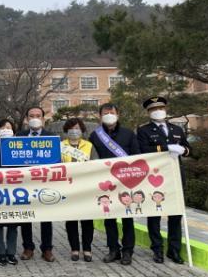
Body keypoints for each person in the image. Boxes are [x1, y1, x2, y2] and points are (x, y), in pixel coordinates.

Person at [137, 96, 191, 264]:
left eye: (160, 108)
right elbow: (143, 150)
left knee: (176, 214)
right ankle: (157, 249)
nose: (158, 111)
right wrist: (167, 148)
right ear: (148, 112)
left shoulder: (177, 129)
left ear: (165, 109)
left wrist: (183, 150)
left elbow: (189, 149)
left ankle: (174, 250)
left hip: (175, 176)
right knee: (155, 214)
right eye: (154, 109)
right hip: (155, 177)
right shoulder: (144, 130)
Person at [89, 103, 140, 266]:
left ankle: (127, 251)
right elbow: (91, 159)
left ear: (118, 114)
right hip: (106, 183)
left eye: (112, 112)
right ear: (100, 116)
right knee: (109, 218)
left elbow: (137, 156)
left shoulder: (128, 134)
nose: (109, 115)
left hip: (126, 182)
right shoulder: (95, 136)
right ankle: (113, 250)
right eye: (105, 113)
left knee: (127, 219)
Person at [16, 106, 56, 262]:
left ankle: (47, 249)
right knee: (26, 216)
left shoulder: (51, 137)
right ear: (27, 119)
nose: (35, 118)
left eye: (38, 116)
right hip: (25, 183)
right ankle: (28, 247)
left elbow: (56, 161)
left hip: (44, 182)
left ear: (43, 119)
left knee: (46, 217)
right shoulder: (19, 136)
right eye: (31, 116)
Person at [61, 118, 98, 262]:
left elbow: (96, 164)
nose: (74, 131)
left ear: (82, 130)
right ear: (66, 130)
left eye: (77, 128)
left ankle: (87, 249)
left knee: (87, 220)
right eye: (71, 128)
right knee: (71, 220)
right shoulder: (61, 145)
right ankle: (74, 249)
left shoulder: (89, 145)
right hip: (68, 188)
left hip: (86, 188)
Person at [0, 119, 19, 266]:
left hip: (15, 187)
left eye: (9, 127)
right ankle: (0, 253)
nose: (6, 129)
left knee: (13, 222)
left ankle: (11, 252)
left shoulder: (20, 145)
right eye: (3, 127)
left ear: (13, 131)